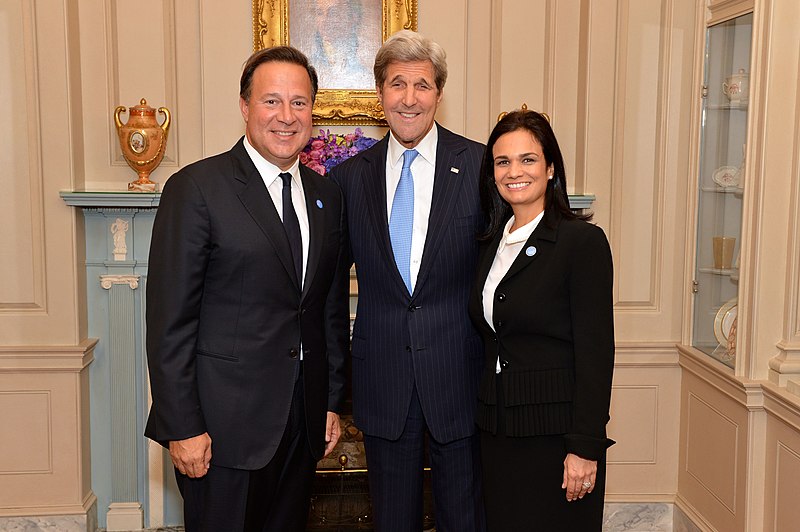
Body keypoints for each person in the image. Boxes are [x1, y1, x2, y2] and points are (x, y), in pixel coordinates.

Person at [144, 46, 350, 531]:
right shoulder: (196, 189)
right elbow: (169, 323)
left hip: (301, 429)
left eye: (299, 103)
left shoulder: (326, 196)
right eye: (271, 101)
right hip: (221, 434)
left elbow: (327, 310)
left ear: (312, 112)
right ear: (244, 106)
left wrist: (330, 401)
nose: (286, 116)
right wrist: (184, 426)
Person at [328, 30, 486, 531]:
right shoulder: (349, 179)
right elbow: (329, 296)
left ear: (439, 92)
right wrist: (332, 394)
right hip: (383, 382)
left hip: (459, 378)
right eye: (398, 84)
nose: (410, 98)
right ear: (380, 95)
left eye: (422, 85)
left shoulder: (481, 167)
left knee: (464, 519)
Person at [468, 109, 615, 530]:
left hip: (557, 441)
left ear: (550, 168)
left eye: (528, 159)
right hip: (498, 435)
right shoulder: (491, 243)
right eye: (502, 161)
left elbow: (596, 352)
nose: (515, 171)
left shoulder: (580, 242)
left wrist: (585, 448)